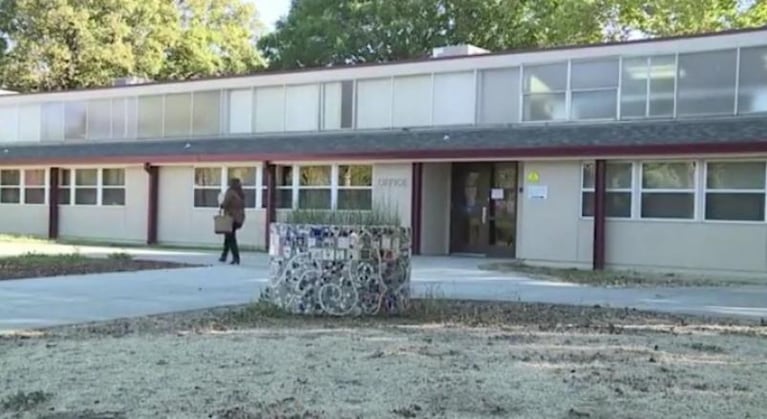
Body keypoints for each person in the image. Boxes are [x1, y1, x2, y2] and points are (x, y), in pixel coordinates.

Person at [219, 177, 246, 265]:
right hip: (239, 218)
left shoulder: (230, 192)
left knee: (231, 238)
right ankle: (224, 255)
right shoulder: (241, 193)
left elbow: (225, 204)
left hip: (231, 218)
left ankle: (236, 257)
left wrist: (221, 204)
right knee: (228, 236)